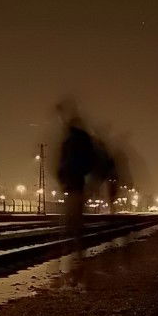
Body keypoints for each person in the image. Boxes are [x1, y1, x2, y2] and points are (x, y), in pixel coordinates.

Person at [56, 99, 95, 244]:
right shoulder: (82, 139)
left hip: (71, 180)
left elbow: (63, 160)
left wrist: (61, 176)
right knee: (75, 214)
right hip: (77, 181)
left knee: (69, 214)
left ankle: (67, 244)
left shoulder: (69, 140)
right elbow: (89, 160)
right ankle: (75, 245)